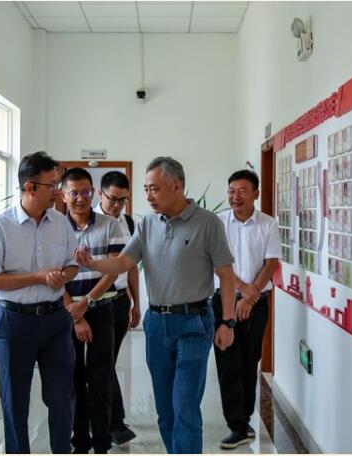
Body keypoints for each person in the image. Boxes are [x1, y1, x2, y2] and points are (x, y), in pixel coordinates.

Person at [75, 157, 237, 454]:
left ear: (176, 186)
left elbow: (226, 275)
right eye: (146, 189)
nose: (148, 196)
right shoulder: (147, 224)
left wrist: (227, 322)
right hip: (158, 325)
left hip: (194, 323)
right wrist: (93, 263)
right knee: (165, 410)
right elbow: (123, 262)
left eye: (154, 189)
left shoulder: (207, 223)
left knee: (185, 407)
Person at [0, 151, 79, 454]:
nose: (58, 191)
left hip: (55, 320)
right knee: (15, 400)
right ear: (30, 187)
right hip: (14, 322)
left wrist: (63, 276)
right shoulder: (1, 226)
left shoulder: (60, 222)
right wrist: (37, 277)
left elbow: (72, 264)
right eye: (52, 185)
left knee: (61, 397)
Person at [213, 169, 281, 449]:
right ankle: (237, 425)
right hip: (224, 299)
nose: (235, 196)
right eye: (231, 191)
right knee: (227, 361)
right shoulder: (218, 223)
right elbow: (216, 263)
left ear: (256, 194)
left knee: (249, 361)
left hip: (256, 303)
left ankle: (245, 418)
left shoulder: (268, 224)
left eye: (242, 191)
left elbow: (271, 263)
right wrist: (242, 290)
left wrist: (250, 299)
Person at [60, 168, 125, 454]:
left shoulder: (110, 225)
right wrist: (75, 314)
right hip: (66, 312)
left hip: (100, 308)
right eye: (73, 193)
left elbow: (113, 270)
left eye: (85, 192)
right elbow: (54, 274)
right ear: (63, 195)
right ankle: (80, 443)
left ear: (94, 193)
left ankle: (101, 444)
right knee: (73, 379)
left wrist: (86, 302)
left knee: (101, 380)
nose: (80, 198)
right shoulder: (55, 227)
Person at [95, 170, 141, 446]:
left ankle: (106, 419)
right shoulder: (88, 221)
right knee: (102, 362)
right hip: (94, 301)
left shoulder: (129, 223)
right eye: (112, 199)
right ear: (100, 194)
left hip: (120, 300)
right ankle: (114, 422)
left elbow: (131, 267)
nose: (117, 205)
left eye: (122, 200)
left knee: (106, 361)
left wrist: (136, 303)